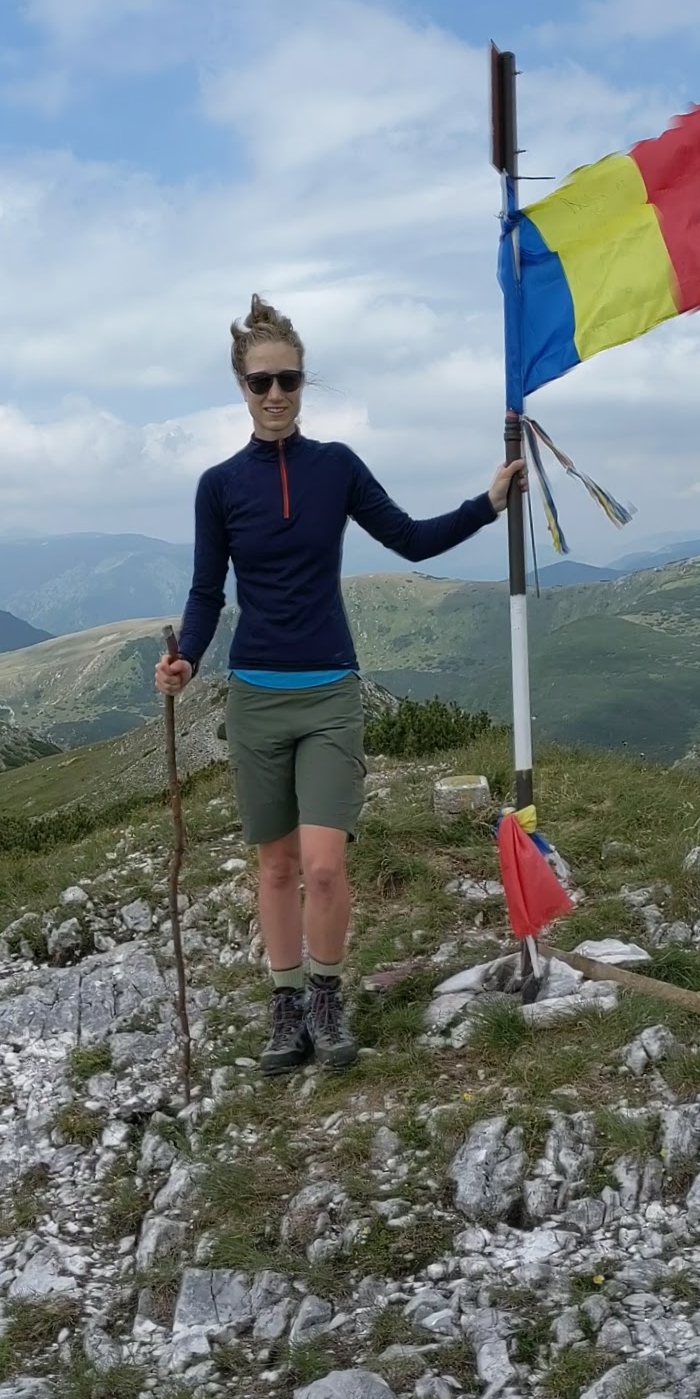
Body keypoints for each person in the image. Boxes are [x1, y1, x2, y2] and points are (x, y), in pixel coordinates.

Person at [165, 298, 513, 1072]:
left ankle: (326, 995)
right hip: (254, 696)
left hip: (329, 692)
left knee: (323, 865)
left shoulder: (338, 467)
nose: (276, 394)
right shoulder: (219, 486)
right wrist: (186, 657)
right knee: (276, 866)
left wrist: (487, 505)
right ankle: (286, 1006)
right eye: (262, 382)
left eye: (288, 379)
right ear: (241, 387)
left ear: (303, 382)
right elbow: (206, 591)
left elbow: (411, 539)